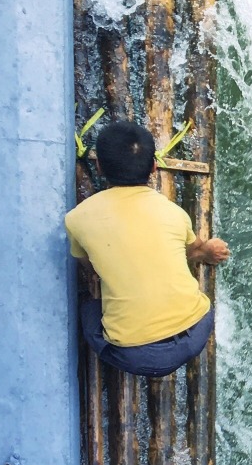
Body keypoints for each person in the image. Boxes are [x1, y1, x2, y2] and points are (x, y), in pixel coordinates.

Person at [66, 119, 229, 377]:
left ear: (99, 167)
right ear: (154, 167)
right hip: (196, 331)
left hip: (132, 356)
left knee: (87, 309)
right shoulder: (174, 214)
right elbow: (194, 251)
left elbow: (91, 268)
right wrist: (208, 250)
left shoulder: (77, 219)